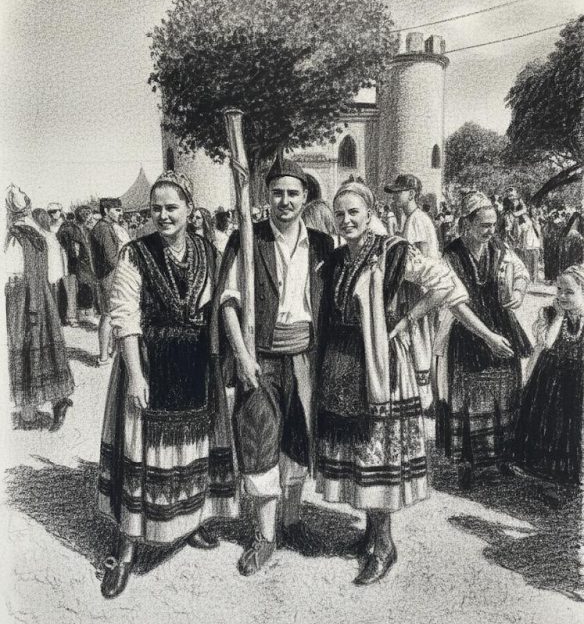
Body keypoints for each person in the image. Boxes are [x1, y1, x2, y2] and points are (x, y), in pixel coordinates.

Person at [315, 182, 467, 585]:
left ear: (370, 214)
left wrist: (408, 318)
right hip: (344, 361)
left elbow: (447, 284)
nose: (346, 220)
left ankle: (384, 545)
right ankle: (370, 534)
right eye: (340, 214)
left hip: (381, 363)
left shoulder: (393, 251)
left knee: (375, 453)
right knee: (358, 454)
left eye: (354, 213)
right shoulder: (337, 259)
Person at [97, 171, 238, 599]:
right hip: (149, 363)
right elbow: (125, 317)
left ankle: (187, 523)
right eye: (156, 208)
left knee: (193, 448)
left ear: (189, 210)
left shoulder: (208, 251)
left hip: (195, 365)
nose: (163, 215)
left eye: (171, 207)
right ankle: (126, 550)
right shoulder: (135, 254)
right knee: (140, 450)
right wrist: (136, 374)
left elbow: (224, 303)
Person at [213, 156, 333, 576]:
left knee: (298, 441)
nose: (285, 201)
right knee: (260, 441)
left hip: (303, 359)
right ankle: (265, 535)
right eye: (278, 193)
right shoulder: (248, 239)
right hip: (260, 359)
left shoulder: (322, 244)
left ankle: (292, 521)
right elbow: (227, 303)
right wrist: (243, 357)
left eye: (293, 194)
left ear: (305, 197)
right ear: (267, 195)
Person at [434, 191, 532, 490]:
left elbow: (522, 273)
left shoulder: (500, 248)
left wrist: (518, 293)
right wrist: (488, 337)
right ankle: (469, 463)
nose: (490, 231)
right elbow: (455, 305)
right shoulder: (450, 255)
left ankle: (503, 458)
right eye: (484, 225)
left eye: (493, 225)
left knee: (506, 391)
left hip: (502, 327)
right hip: (469, 333)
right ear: (466, 224)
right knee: (471, 398)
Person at [512, 264, 583, 500]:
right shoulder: (550, 313)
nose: (562, 296)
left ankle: (571, 479)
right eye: (559, 290)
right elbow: (547, 344)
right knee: (550, 424)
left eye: (570, 292)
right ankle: (552, 476)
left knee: (573, 429)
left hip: (577, 382)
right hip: (551, 379)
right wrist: (560, 316)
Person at [5, 186, 74, 430]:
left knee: (24, 348)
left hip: (22, 299)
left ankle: (31, 411)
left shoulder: (13, 236)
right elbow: (55, 274)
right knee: (45, 347)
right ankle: (48, 403)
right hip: (42, 297)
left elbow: (11, 275)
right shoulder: (41, 235)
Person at [386, 174, 441, 401]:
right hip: (414, 288)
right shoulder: (411, 218)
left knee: (420, 338)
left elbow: (420, 261)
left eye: (398, 192)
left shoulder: (417, 220)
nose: (394, 196)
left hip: (418, 289)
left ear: (411, 194)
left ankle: (425, 395)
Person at [90, 198, 127, 365]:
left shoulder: (102, 227)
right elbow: (112, 260)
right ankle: (104, 356)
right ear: (106, 210)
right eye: (117, 210)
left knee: (110, 315)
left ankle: (111, 352)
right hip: (109, 276)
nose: (121, 212)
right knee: (108, 316)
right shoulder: (104, 229)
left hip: (105, 276)